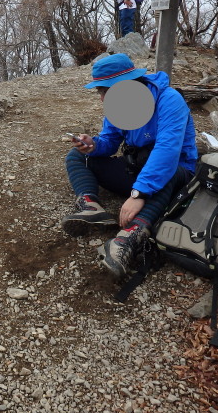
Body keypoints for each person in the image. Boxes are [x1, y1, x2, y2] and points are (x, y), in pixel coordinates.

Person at [61, 53, 198, 279]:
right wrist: (93, 145)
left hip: (175, 175)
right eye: (100, 92)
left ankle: (130, 237)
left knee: (169, 172)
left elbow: (167, 152)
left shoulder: (169, 99)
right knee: (77, 156)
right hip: (138, 170)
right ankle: (91, 207)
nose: (102, 99)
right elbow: (110, 141)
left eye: (105, 91)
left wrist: (138, 193)